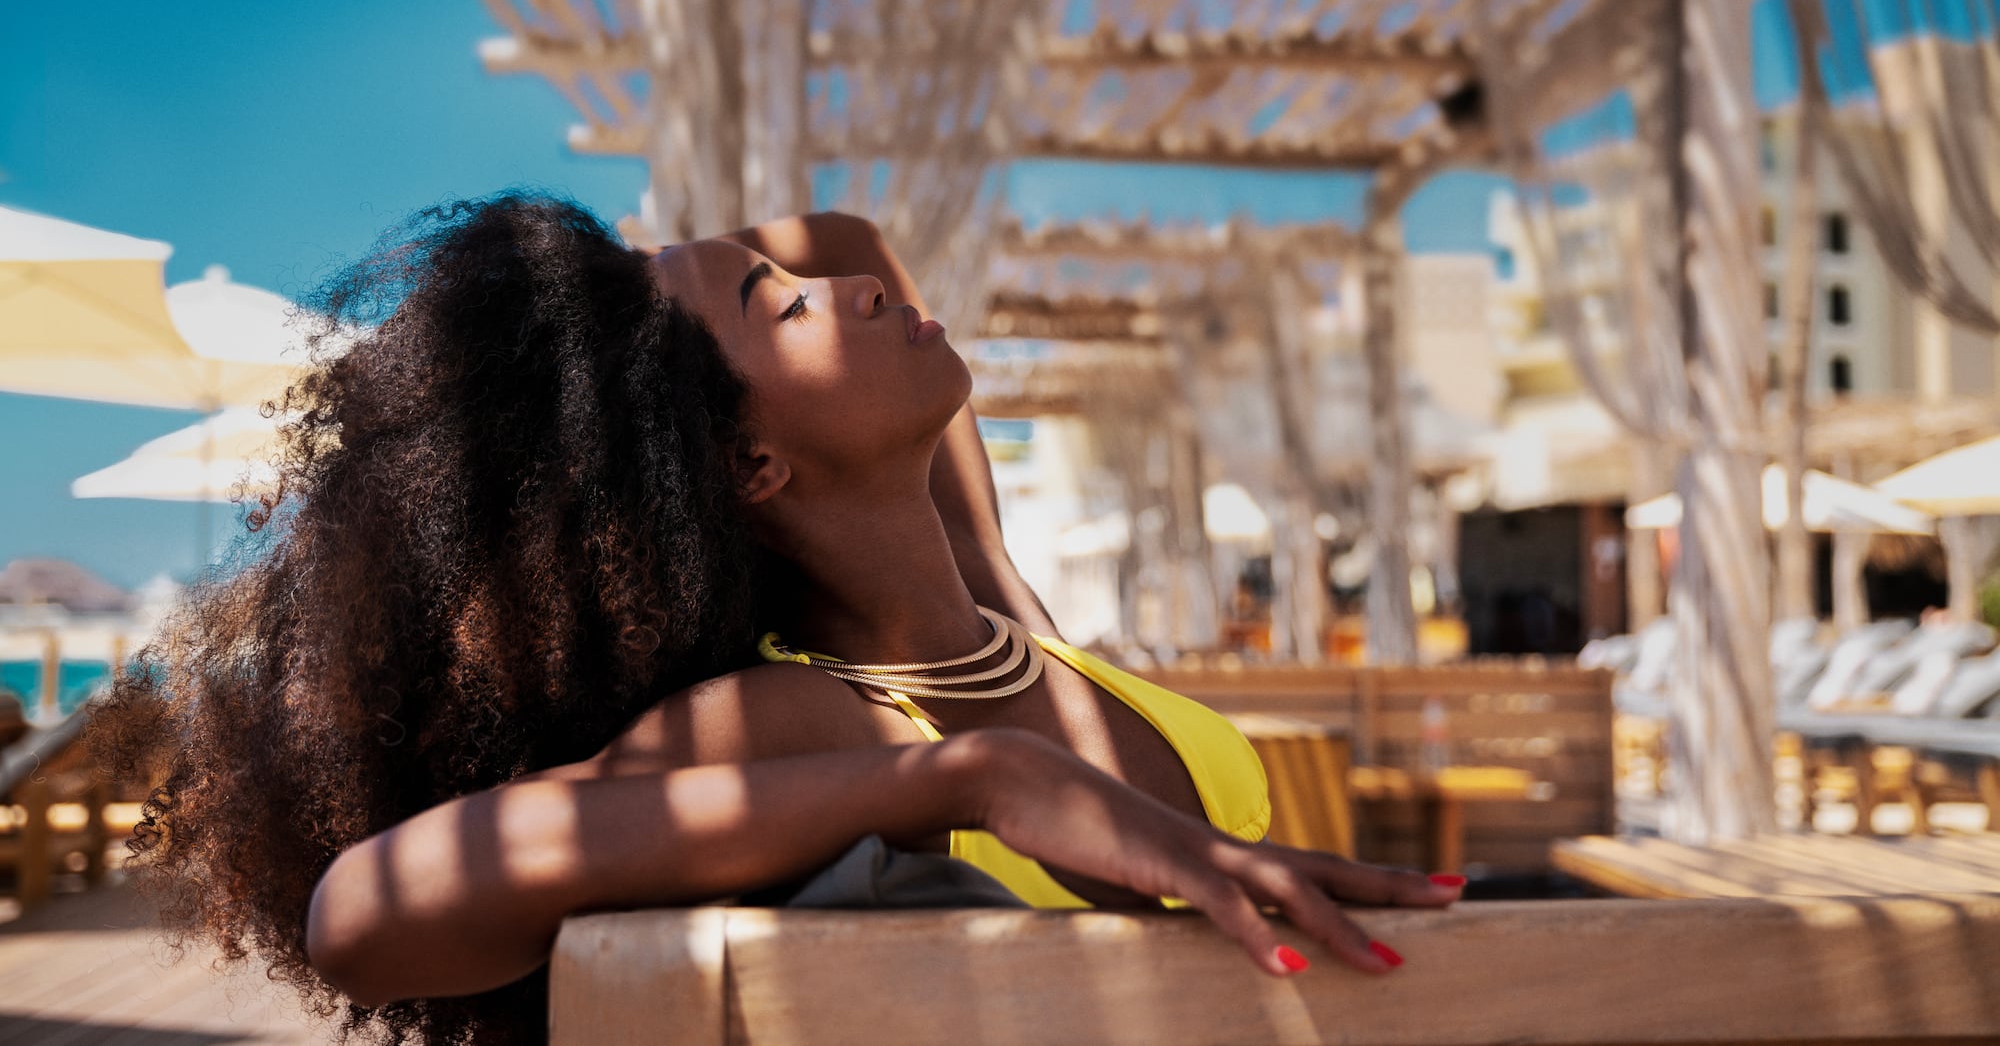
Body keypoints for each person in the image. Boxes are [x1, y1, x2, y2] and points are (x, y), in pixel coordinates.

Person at [95, 195, 1460, 1046]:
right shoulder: (805, 716)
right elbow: (366, 911)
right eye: (781, 307)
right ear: (748, 470)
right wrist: (971, 776)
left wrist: (649, 295)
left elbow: (844, 232)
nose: (860, 293)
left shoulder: (1003, 607)